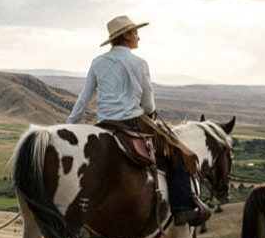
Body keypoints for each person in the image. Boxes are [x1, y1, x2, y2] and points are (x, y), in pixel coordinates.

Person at [67, 15, 211, 226]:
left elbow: (83, 98)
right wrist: (149, 111)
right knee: (180, 154)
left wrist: (69, 124)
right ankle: (181, 209)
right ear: (125, 35)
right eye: (135, 32)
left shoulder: (97, 62)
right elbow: (149, 104)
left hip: (104, 124)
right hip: (133, 122)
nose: (138, 37)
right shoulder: (139, 63)